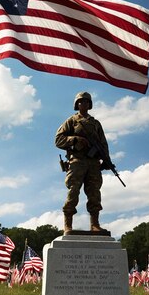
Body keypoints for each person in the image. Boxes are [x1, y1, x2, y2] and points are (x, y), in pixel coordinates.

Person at [55, 91, 111, 235]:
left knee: (94, 193)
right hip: (77, 161)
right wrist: (75, 140)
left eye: (86, 101)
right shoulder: (71, 121)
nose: (83, 104)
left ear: (89, 104)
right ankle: (68, 225)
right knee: (73, 191)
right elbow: (58, 140)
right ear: (77, 104)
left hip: (93, 163)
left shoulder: (96, 124)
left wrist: (107, 160)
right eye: (81, 102)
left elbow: (103, 144)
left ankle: (95, 224)